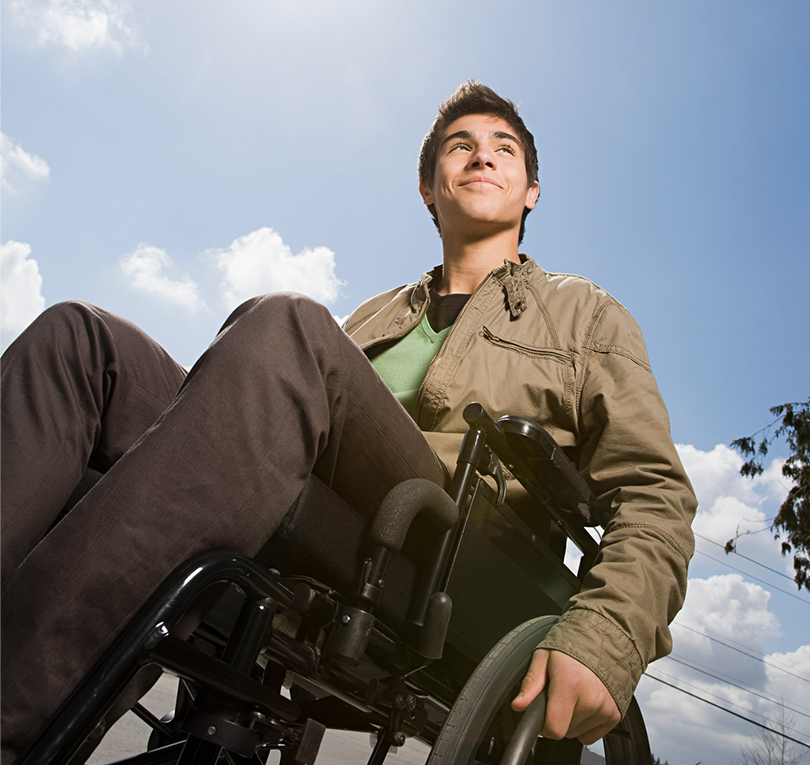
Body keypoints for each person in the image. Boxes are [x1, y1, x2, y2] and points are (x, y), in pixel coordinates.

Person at [0, 81, 696, 761]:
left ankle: (11, 725)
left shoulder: (584, 314)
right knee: (80, 341)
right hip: (317, 482)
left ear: (531, 191)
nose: (482, 156)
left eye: (503, 148)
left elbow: (655, 496)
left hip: (451, 532)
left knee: (286, 327)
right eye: (460, 146)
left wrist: (604, 636)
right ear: (428, 187)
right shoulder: (376, 315)